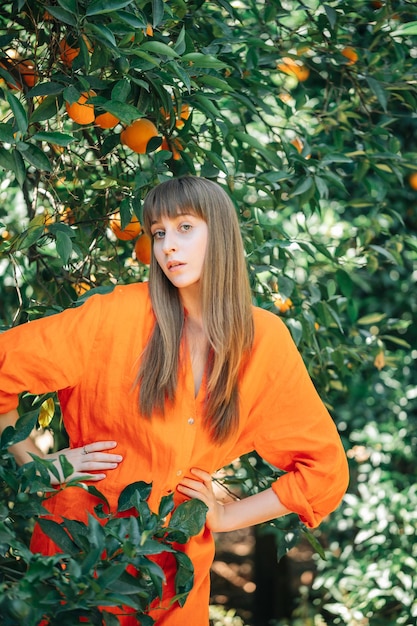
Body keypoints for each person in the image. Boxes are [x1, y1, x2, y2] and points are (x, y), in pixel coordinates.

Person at [0, 176, 349, 625]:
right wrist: (38, 466)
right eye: (158, 232)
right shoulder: (114, 315)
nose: (167, 246)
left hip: (175, 577)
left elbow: (324, 470)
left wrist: (224, 516)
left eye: (184, 227)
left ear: (220, 233)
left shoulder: (263, 341)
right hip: (77, 560)